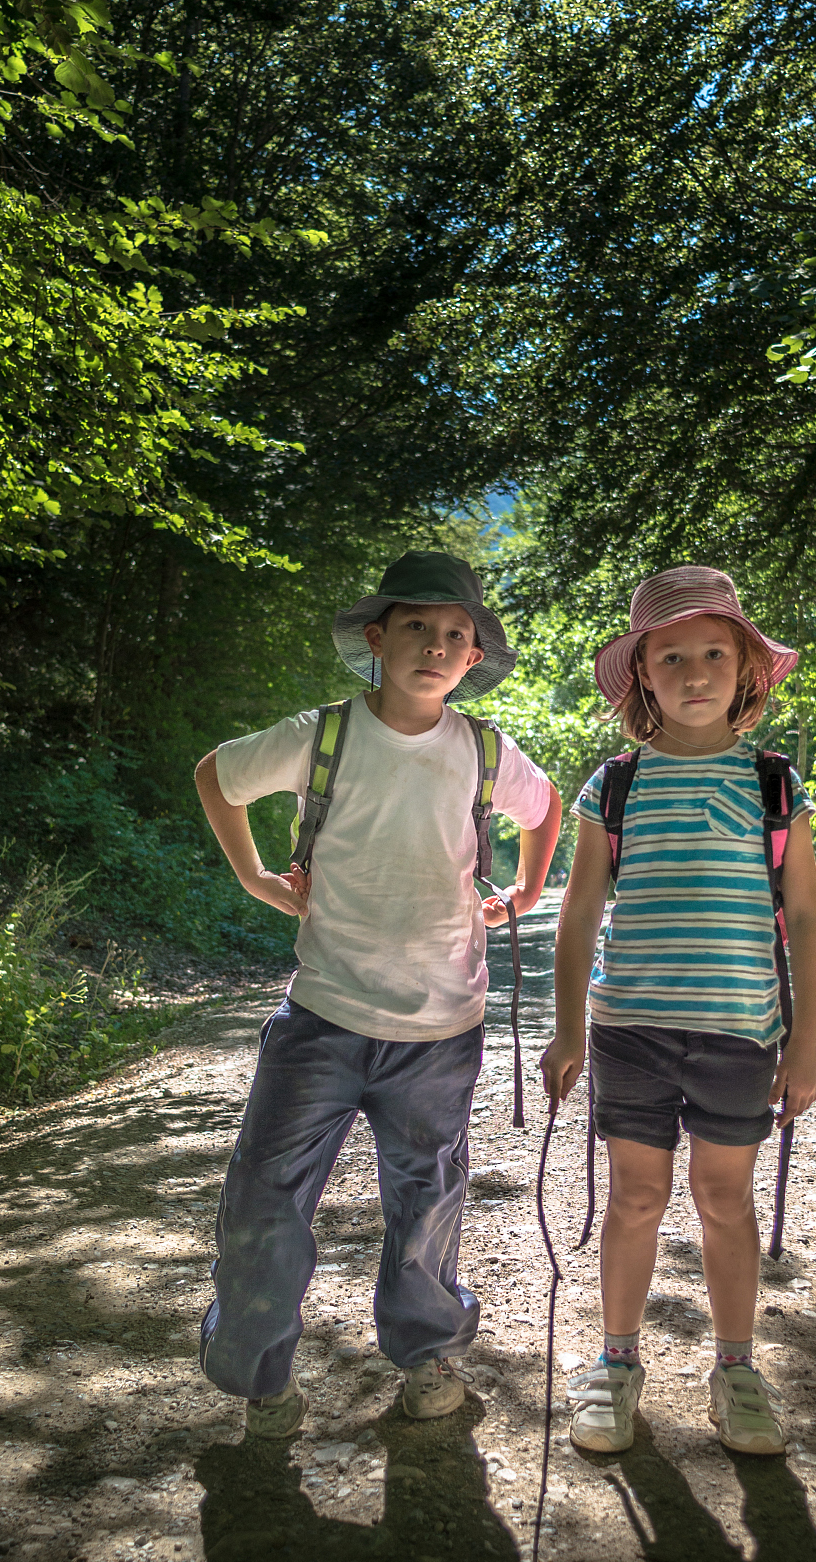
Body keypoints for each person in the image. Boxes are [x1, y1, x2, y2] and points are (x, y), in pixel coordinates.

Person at [195, 552, 561, 1438]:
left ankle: (427, 1353)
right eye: (415, 628)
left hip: (444, 1026)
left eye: (453, 636)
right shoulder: (321, 736)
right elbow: (216, 774)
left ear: (471, 657)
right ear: (376, 640)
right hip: (320, 1014)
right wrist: (252, 875)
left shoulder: (481, 749)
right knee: (263, 1197)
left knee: (428, 1196)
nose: (434, 647)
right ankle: (260, 1375)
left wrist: (525, 892)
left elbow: (546, 808)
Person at [541, 566, 816, 1455]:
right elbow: (580, 910)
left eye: (715, 653)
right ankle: (615, 1362)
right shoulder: (615, 784)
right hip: (630, 1027)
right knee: (634, 1196)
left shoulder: (774, 784)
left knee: (723, 1197)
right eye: (672, 657)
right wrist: (568, 1027)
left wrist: (806, 1045)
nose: (695, 672)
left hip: (741, 1031)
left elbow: (808, 919)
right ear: (643, 676)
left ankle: (737, 1368)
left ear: (745, 669)